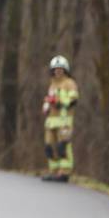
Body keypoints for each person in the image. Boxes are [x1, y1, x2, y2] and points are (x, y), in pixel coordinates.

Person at [42, 55, 78, 183]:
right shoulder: (52, 84)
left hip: (64, 122)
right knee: (49, 147)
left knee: (63, 146)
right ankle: (54, 171)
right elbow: (49, 99)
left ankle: (64, 172)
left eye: (60, 69)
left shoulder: (69, 83)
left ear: (65, 70)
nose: (58, 72)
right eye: (55, 69)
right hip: (51, 121)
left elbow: (73, 99)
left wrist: (59, 101)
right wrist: (46, 105)